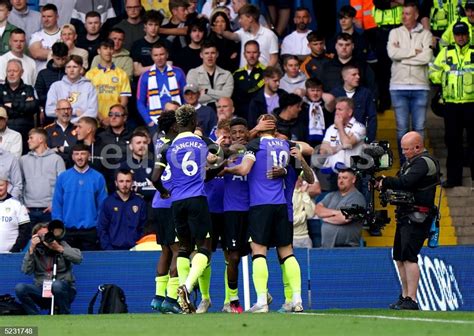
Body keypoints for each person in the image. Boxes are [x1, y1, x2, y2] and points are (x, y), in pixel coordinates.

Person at [223, 114, 304, 313]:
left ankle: (261, 301)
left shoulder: (255, 144)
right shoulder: (286, 145)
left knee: (259, 252)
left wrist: (226, 170)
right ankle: (297, 299)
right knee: (287, 253)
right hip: (281, 205)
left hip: (260, 205)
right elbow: (303, 154)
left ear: (260, 127)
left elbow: (243, 170)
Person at [151, 104, 216, 314]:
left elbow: (154, 178)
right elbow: (220, 156)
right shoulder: (202, 141)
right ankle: (186, 288)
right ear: (194, 122)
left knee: (183, 248)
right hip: (197, 198)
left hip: (176, 203)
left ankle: (173, 298)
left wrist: (163, 191)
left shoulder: (166, 147)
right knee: (204, 246)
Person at [375, 131, 440, 310]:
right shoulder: (410, 163)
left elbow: (405, 182)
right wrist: (383, 181)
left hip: (418, 216)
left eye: (406, 149)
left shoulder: (424, 162)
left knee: (410, 257)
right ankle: (404, 296)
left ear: (418, 147)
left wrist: (386, 181)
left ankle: (411, 298)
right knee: (399, 256)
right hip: (406, 215)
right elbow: (400, 181)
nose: (403, 152)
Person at [429, 21, 474, 188]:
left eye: (463, 34)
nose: (461, 37)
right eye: (458, 34)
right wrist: (442, 79)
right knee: (453, 143)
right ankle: (454, 179)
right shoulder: (446, 53)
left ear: (468, 35)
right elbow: (433, 71)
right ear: (454, 36)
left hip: (472, 104)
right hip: (452, 105)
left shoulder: (473, 52)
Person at [388, 3, 432, 163]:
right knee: (402, 130)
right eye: (403, 13)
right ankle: (404, 165)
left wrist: (403, 57)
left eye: (407, 14)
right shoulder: (394, 32)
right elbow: (392, 53)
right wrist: (414, 52)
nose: (403, 17)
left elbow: (427, 58)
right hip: (398, 87)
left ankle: (420, 166)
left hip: (420, 86)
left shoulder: (426, 34)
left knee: (419, 130)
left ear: (416, 15)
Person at [149, 109, 182, 314]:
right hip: (172, 202)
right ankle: (171, 298)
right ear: (173, 126)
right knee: (178, 250)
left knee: (165, 250)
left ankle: (158, 296)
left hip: (158, 203)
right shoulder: (178, 144)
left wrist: (161, 192)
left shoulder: (160, 141)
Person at [15, 221, 82, 315]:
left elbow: (78, 259)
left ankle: (65, 314)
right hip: (42, 290)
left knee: (57, 285)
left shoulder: (61, 244)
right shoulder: (35, 250)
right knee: (20, 288)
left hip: (63, 290)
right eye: (41, 236)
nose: (44, 238)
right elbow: (26, 271)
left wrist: (59, 248)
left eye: (46, 234)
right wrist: (31, 249)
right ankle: (34, 317)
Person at [51, 143, 108, 251]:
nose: (79, 157)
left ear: (89, 156)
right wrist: (58, 226)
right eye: (76, 154)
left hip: (90, 231)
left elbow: (103, 205)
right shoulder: (63, 177)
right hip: (67, 231)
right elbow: (57, 203)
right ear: (72, 157)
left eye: (83, 154)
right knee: (68, 266)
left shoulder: (98, 177)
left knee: (90, 265)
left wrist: (98, 226)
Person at [20, 128, 65, 229]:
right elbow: (19, 184)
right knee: (28, 243)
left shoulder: (57, 159)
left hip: (49, 210)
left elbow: (63, 185)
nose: (28, 140)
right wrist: (21, 205)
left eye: (31, 138)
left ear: (40, 139)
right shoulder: (23, 160)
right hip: (28, 211)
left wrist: (55, 205)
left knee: (50, 243)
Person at [319, 97, 366, 188]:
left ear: (349, 112)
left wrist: (340, 126)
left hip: (352, 174)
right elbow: (323, 151)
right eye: (336, 109)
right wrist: (339, 148)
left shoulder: (359, 127)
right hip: (333, 176)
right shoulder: (331, 128)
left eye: (340, 109)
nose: (336, 112)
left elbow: (346, 144)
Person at [136, 42, 186, 127]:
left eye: (161, 54)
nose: (159, 58)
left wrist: (183, 117)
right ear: (152, 57)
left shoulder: (178, 72)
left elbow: (185, 97)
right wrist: (149, 121)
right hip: (155, 121)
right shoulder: (145, 76)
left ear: (167, 55)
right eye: (156, 55)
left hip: (177, 120)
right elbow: (140, 101)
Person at [214, 4, 278, 68]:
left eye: (241, 18)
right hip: (244, 76)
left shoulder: (270, 35)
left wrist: (265, 74)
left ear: (250, 18)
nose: (239, 21)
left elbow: (274, 59)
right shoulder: (242, 32)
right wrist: (222, 32)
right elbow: (232, 36)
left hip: (263, 75)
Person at [314, 168, 366, 248]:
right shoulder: (331, 195)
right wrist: (336, 213)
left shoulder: (357, 198)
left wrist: (325, 218)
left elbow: (345, 218)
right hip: (327, 247)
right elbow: (317, 209)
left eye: (345, 178)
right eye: (339, 178)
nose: (341, 181)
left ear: (353, 180)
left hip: (347, 248)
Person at [98, 169, 146, 250]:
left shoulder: (140, 202)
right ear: (116, 183)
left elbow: (143, 228)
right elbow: (102, 228)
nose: (124, 184)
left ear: (132, 182)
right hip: (113, 250)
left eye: (127, 181)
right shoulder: (108, 203)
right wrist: (108, 249)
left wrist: (138, 246)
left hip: (136, 249)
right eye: (121, 181)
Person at [85, 39, 131, 125]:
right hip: (95, 121)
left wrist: (112, 118)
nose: (108, 51)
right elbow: (87, 100)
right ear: (99, 51)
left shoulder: (122, 74)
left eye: (110, 48)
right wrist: (101, 118)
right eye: (105, 48)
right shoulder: (90, 74)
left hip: (116, 121)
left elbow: (124, 100)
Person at [0, 59, 40, 154]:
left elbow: (34, 106)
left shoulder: (29, 89)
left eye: (15, 71)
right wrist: (23, 108)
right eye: (9, 71)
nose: (11, 74)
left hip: (25, 133)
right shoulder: (0, 89)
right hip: (4, 132)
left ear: (22, 72)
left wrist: (12, 105)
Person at [331, 64, 377, 143]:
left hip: (360, 138)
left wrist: (370, 139)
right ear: (345, 77)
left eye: (358, 74)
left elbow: (372, 118)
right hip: (338, 139)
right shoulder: (334, 93)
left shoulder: (365, 93)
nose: (358, 77)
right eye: (354, 75)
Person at [45, 55, 98, 123]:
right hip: (61, 127)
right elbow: (49, 111)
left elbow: (93, 112)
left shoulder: (89, 87)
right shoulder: (56, 86)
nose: (72, 70)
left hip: (82, 126)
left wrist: (73, 122)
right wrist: (74, 111)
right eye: (69, 67)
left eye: (75, 67)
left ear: (81, 69)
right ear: (65, 70)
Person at [186, 41, 234, 108]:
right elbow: (193, 98)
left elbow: (227, 95)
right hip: (201, 112)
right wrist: (219, 95)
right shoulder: (193, 73)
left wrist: (206, 91)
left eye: (213, 53)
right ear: (201, 55)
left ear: (217, 54)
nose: (210, 56)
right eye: (206, 53)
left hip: (221, 110)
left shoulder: (226, 74)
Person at [232, 40, 265, 119]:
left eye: (254, 52)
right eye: (248, 52)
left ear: (259, 54)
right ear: (244, 54)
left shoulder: (266, 73)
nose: (251, 55)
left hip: (260, 116)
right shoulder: (237, 74)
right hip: (240, 116)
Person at [34, 42, 68, 113]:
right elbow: (38, 95)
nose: (61, 62)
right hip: (48, 110)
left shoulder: (70, 72)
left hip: (68, 109)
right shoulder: (43, 74)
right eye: (58, 59)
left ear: (67, 56)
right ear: (52, 56)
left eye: (63, 59)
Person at [0, 174, 30, 253]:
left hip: (10, 256)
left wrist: (14, 250)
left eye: (1, 185)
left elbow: (25, 231)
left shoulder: (17, 205)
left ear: (7, 185)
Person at [28, 4, 61, 72]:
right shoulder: (36, 35)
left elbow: (69, 53)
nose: (46, 19)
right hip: (41, 76)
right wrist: (59, 53)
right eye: (43, 16)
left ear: (57, 17)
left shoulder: (64, 34)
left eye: (49, 16)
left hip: (60, 76)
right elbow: (36, 54)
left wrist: (45, 52)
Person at [44, 99, 77, 168]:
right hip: (53, 167)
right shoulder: (47, 130)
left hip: (75, 167)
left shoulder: (78, 129)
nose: (66, 112)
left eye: (68, 109)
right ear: (56, 112)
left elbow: (81, 150)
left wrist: (61, 149)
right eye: (63, 109)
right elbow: (46, 152)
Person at [292, 175, 316, 248]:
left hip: (305, 238)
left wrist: (305, 193)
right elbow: (290, 221)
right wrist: (304, 214)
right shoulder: (285, 194)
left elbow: (311, 214)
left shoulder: (304, 193)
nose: (301, 183)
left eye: (301, 181)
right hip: (289, 238)